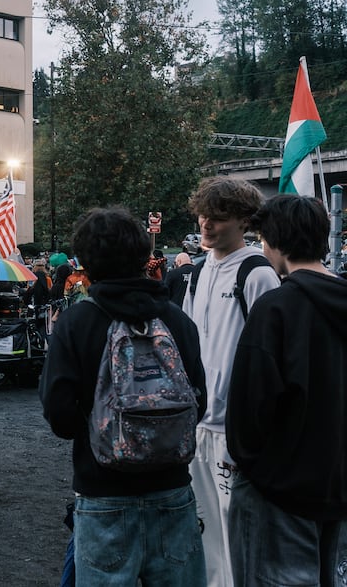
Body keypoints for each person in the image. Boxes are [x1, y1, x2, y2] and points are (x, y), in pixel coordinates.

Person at [40, 206, 207, 585]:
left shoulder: (77, 322)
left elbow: (60, 415)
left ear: (86, 263)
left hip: (103, 493)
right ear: (143, 257)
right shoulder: (177, 320)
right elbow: (200, 402)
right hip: (173, 491)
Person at [225, 194, 347, 586]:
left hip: (281, 489)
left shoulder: (277, 308)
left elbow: (250, 405)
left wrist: (252, 466)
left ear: (272, 241)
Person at [181, 176, 280, 587]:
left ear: (244, 221)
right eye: (203, 215)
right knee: (202, 529)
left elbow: (272, 355)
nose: (207, 224)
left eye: (218, 217)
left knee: (236, 530)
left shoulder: (258, 273)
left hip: (235, 431)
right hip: (198, 425)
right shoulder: (198, 273)